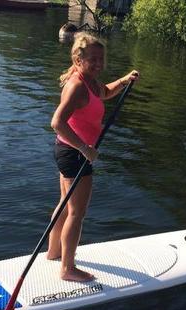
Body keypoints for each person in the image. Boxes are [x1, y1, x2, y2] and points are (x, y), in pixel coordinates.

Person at [47, 32, 139, 282]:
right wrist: (84, 148)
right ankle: (67, 268)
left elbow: (105, 93)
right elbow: (57, 122)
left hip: (68, 151)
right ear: (78, 59)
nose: (99, 64)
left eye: (101, 59)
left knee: (66, 206)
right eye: (93, 59)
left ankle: (54, 253)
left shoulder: (90, 82)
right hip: (73, 154)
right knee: (77, 212)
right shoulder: (77, 85)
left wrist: (124, 81)